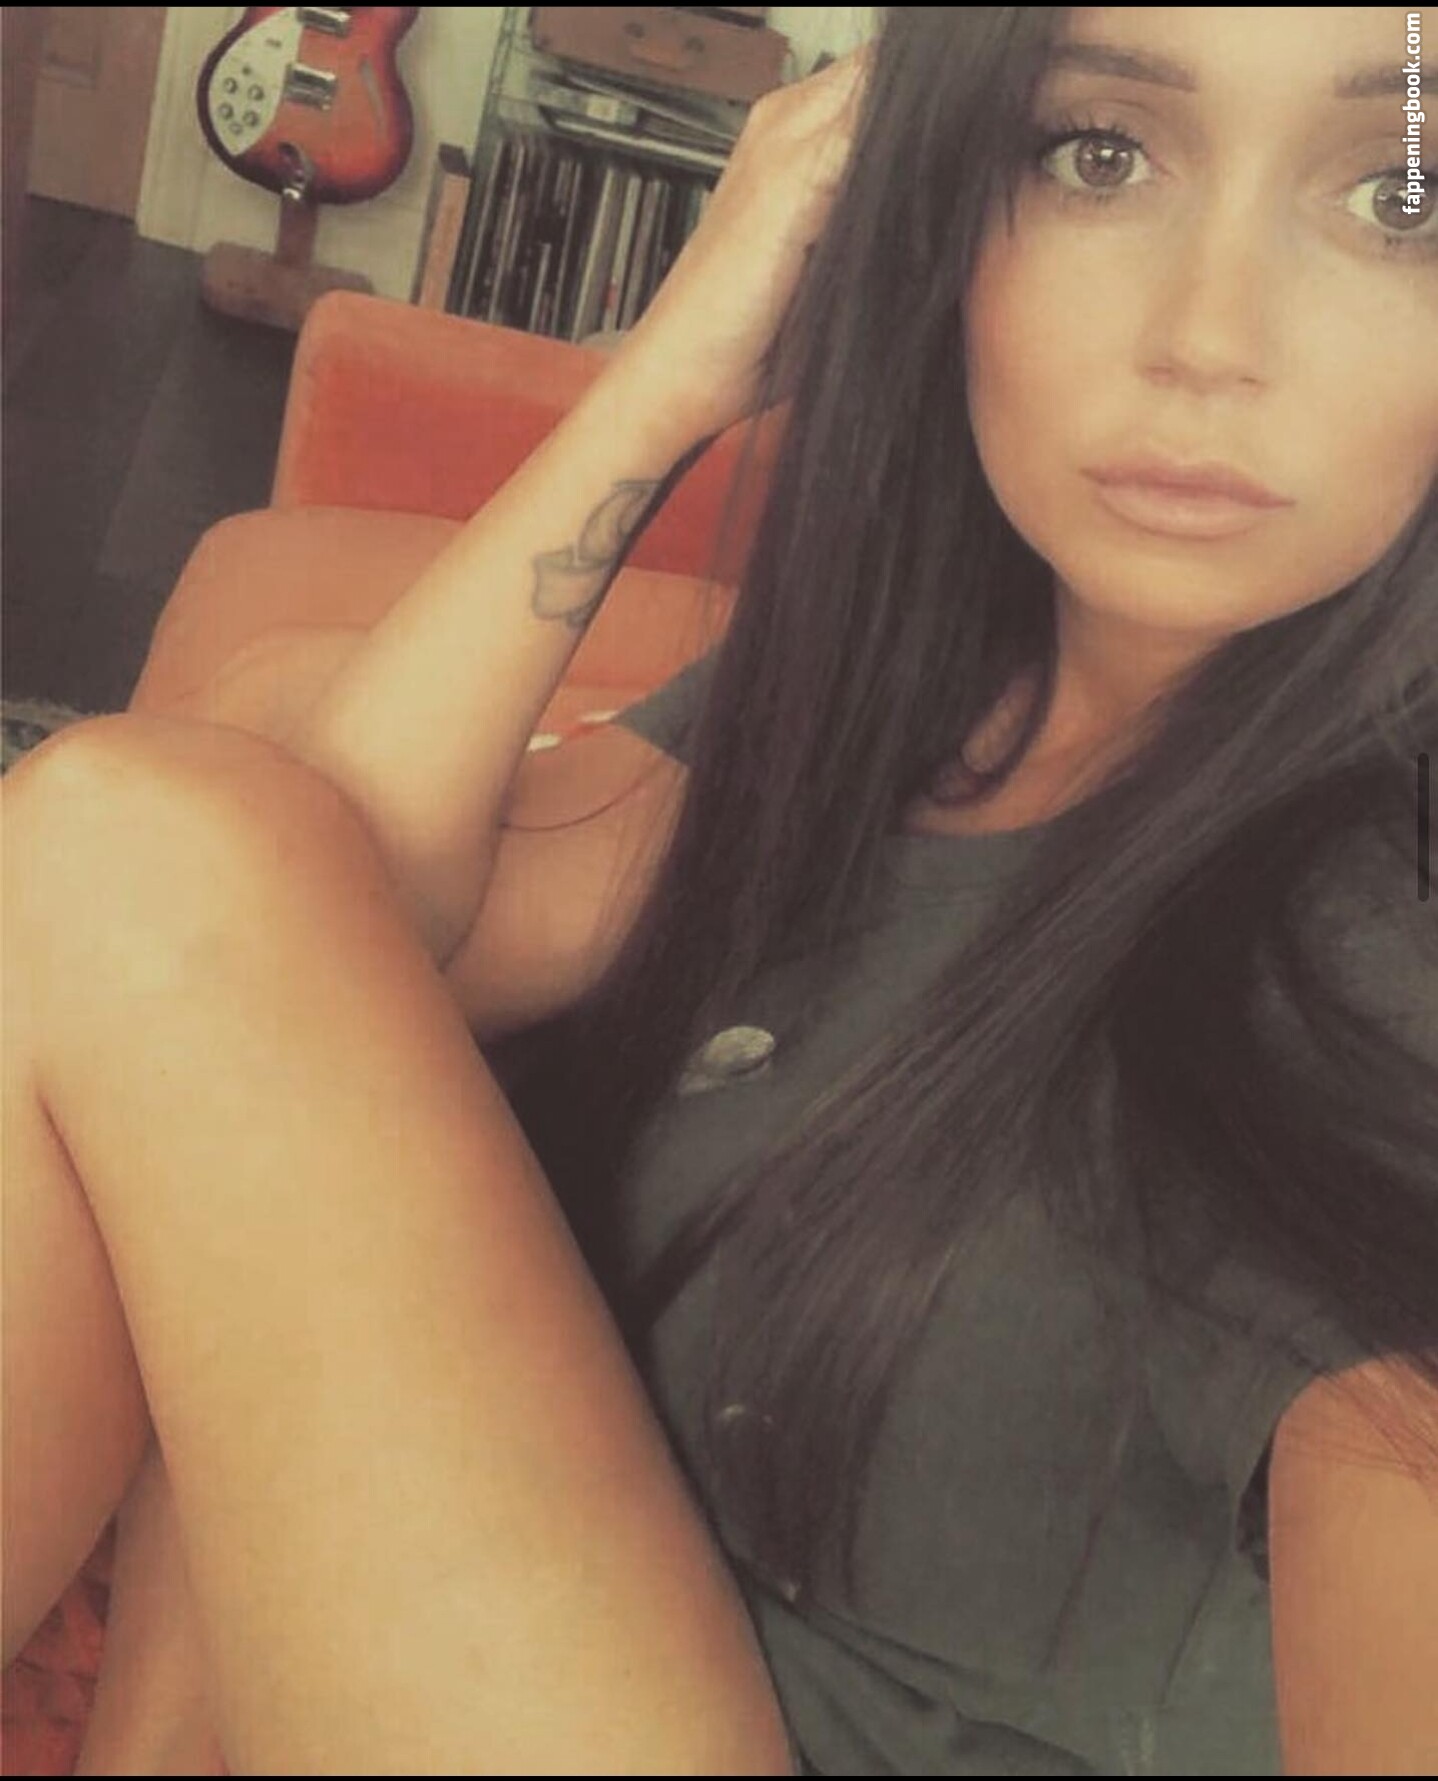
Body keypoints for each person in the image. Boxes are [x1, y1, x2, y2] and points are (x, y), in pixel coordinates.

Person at [4, 6, 1436, 1773]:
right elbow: (338, 924)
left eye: (1399, 194)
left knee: (136, 838)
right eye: (1099, 154)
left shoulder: (1388, 957)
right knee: (192, 810)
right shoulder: (910, 704)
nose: (1206, 338)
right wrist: (677, 364)